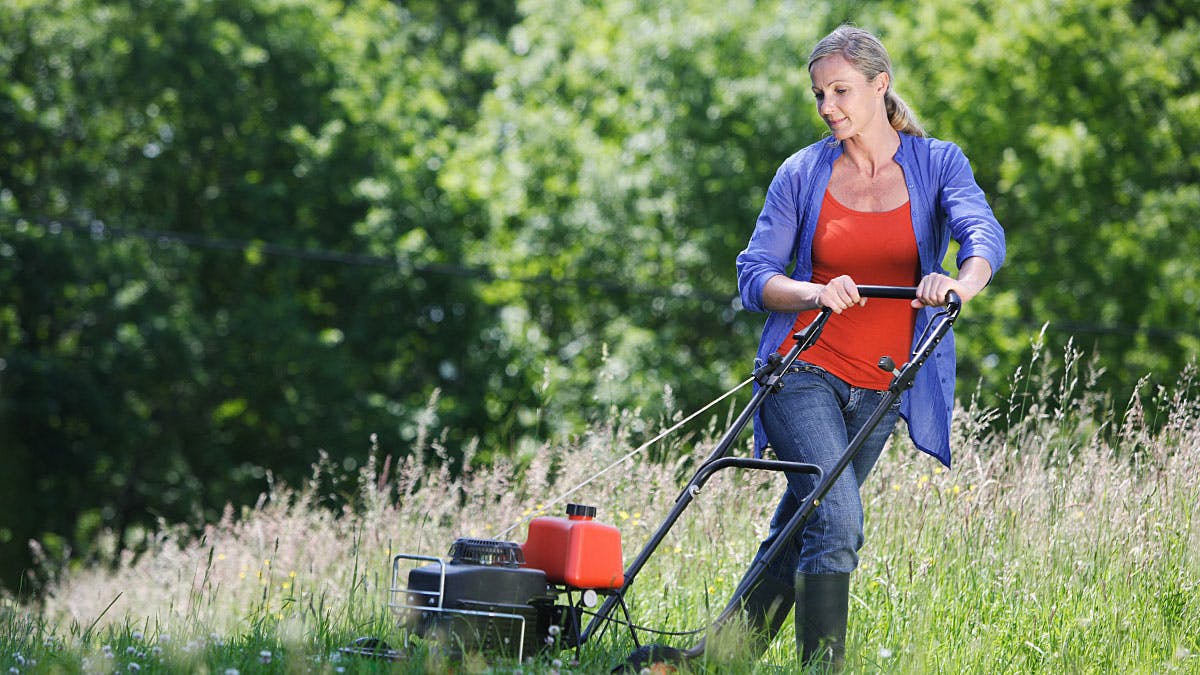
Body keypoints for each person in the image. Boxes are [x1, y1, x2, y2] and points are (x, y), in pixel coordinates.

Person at [701, 25, 1007, 670]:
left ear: (879, 84)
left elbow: (981, 231)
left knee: (801, 525)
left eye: (840, 90)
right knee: (836, 520)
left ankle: (720, 659)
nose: (827, 106)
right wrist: (812, 292)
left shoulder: (937, 163)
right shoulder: (803, 173)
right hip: (800, 370)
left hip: (884, 386)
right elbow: (755, 274)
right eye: (819, 94)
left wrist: (959, 282)